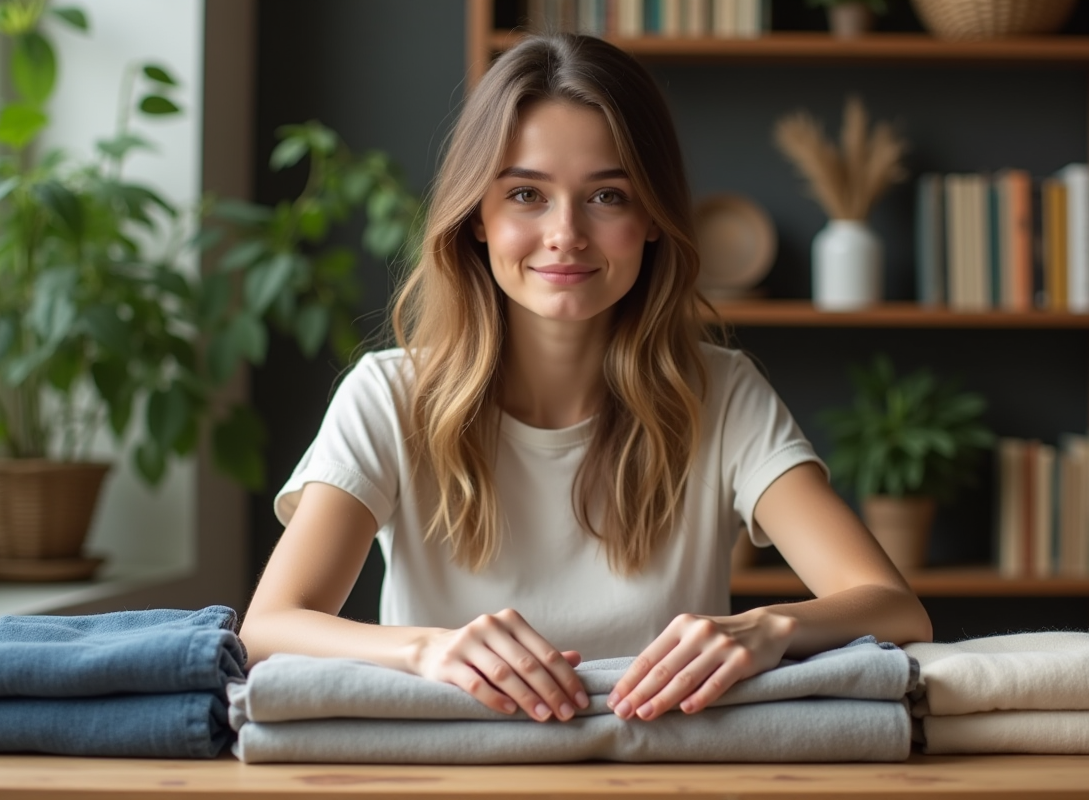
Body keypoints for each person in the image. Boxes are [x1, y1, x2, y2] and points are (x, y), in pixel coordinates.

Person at [239, 32, 932, 726]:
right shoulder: (387, 396)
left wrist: (769, 627)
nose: (566, 232)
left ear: (654, 218)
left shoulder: (721, 392)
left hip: (664, 773)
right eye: (525, 194)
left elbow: (895, 608)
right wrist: (427, 650)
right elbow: (267, 631)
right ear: (477, 216)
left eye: (606, 195)